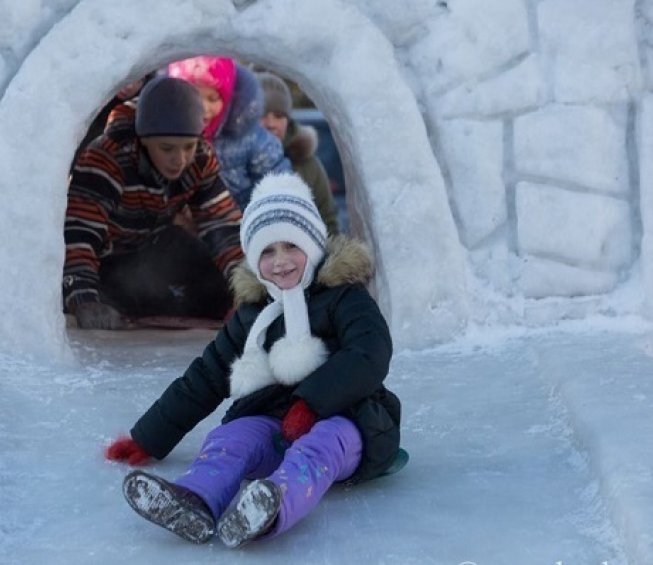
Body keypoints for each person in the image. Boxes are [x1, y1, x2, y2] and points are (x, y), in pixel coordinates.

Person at [105, 172, 402, 548]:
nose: (280, 262)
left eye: (290, 246)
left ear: (312, 244)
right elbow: (206, 377)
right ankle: (193, 501)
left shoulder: (345, 298)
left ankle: (270, 509)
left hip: (351, 419)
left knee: (321, 444)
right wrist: (148, 437)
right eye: (266, 251)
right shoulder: (252, 315)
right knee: (230, 439)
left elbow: (369, 353)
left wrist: (311, 404)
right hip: (271, 420)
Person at [63, 76, 244, 329]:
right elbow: (80, 234)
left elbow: (222, 224)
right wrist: (83, 298)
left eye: (188, 147)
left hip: (153, 243)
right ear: (143, 139)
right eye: (167, 148)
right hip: (106, 257)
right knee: (124, 300)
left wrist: (248, 289)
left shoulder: (200, 158)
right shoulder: (107, 158)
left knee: (218, 287)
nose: (179, 160)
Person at [167, 56, 291, 211]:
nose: (204, 109)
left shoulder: (252, 139)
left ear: (228, 99)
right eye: (195, 98)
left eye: (213, 99)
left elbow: (279, 190)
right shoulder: (164, 133)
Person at [258, 72, 341, 236]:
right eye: (262, 114)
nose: (271, 124)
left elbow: (329, 225)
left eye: (279, 116)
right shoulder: (228, 165)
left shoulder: (308, 166)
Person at [69, 73, 156, 171]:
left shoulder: (145, 114)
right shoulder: (91, 106)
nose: (129, 86)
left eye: (139, 80)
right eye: (127, 77)